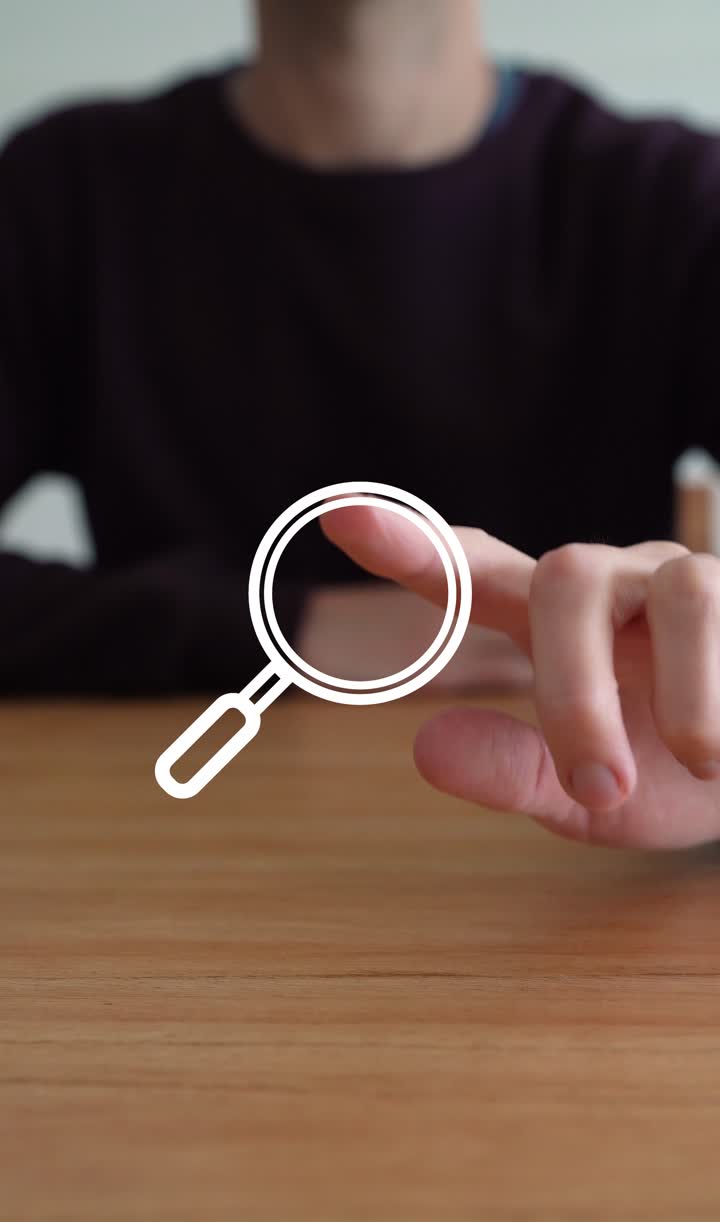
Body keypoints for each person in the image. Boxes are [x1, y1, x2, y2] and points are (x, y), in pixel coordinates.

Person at [1, 0, 719, 848]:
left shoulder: (671, 198)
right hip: (165, 850)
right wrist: (277, 628)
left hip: (574, 866)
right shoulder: (63, 189)